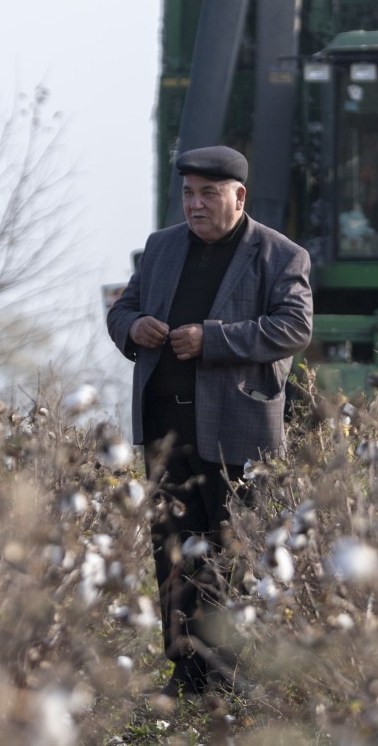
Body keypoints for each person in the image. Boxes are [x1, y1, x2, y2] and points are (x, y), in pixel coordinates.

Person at [106, 145, 313, 697]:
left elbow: (294, 328)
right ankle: (186, 676)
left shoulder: (280, 255)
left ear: (238, 197)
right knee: (172, 557)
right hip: (165, 435)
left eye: (208, 194)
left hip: (236, 436)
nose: (195, 205)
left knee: (234, 555)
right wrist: (134, 328)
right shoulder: (161, 247)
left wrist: (213, 339)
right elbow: (120, 310)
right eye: (189, 194)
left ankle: (234, 678)